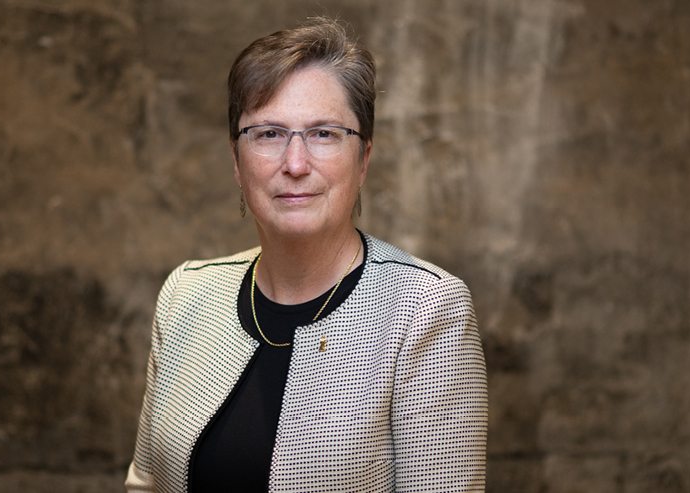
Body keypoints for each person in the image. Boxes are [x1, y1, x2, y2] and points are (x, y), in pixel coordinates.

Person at [126, 17, 487, 493]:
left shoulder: (425, 310)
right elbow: (145, 483)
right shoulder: (185, 295)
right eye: (269, 134)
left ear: (363, 159)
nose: (295, 164)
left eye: (323, 134)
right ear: (237, 162)